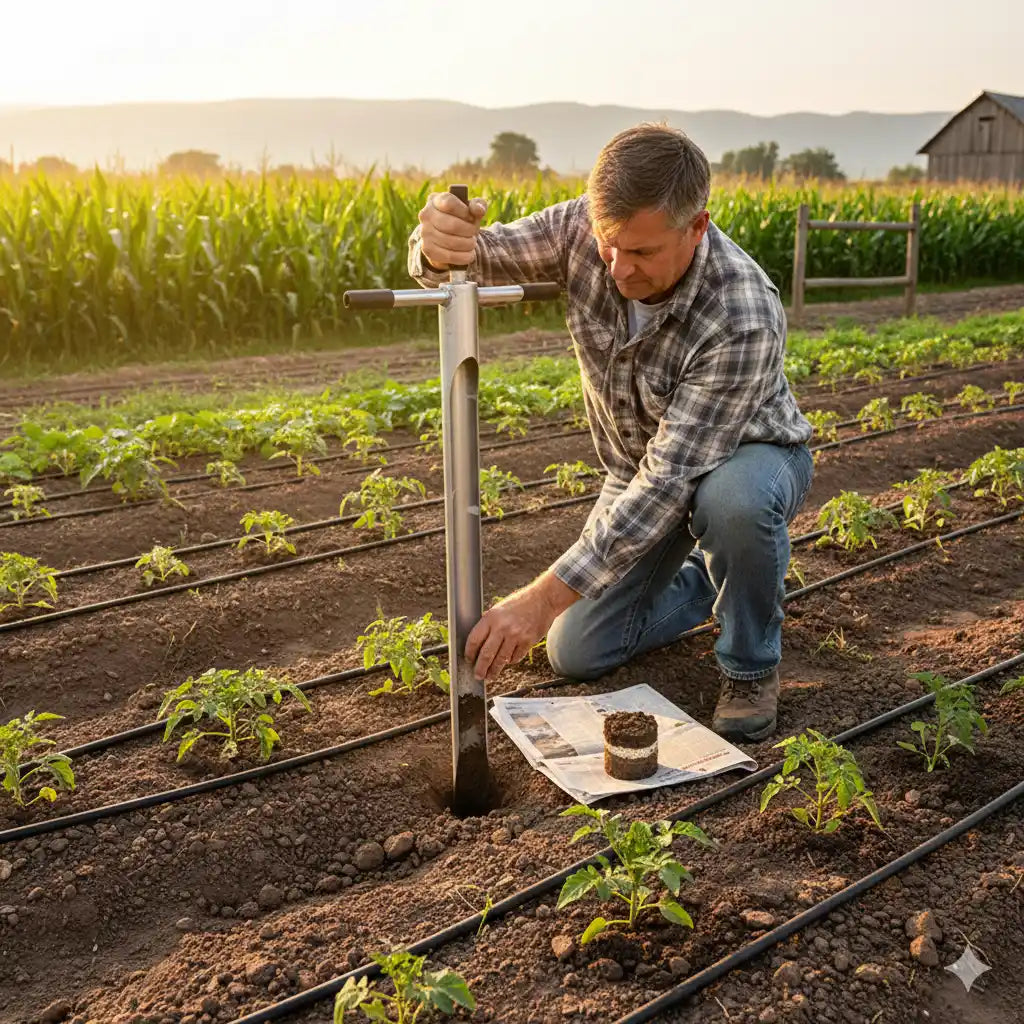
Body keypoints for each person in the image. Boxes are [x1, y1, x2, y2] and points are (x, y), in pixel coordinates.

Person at [407, 122, 813, 742]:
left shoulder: (742, 312)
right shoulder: (581, 228)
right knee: (576, 650)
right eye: (608, 244)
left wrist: (538, 599)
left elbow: (670, 480)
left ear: (696, 226)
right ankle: (720, 577)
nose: (619, 269)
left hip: (749, 457)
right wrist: (437, 243)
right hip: (636, 468)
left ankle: (749, 661)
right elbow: (473, 259)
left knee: (731, 503)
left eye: (643, 252)